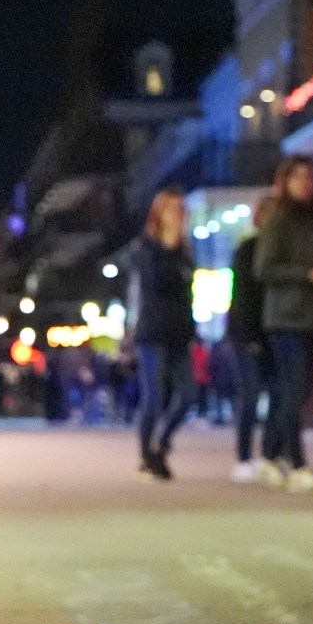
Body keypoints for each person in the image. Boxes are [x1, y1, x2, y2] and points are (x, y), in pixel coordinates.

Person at [252, 157, 313, 494]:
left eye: (310, 177)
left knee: (291, 391)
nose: (306, 183)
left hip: (311, 316)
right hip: (285, 317)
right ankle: (297, 463)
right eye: (298, 177)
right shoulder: (280, 219)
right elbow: (264, 268)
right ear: (285, 181)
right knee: (294, 391)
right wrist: (310, 275)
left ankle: (270, 456)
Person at [124, 189, 198, 481]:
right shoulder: (147, 247)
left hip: (180, 333)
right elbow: (155, 283)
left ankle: (162, 443)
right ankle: (146, 456)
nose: (178, 215)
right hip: (153, 333)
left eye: (181, 210)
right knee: (153, 398)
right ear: (158, 215)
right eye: (171, 210)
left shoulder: (187, 249)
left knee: (189, 394)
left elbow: (187, 291)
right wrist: (169, 247)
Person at [225, 230, 270, 480]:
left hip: (273, 332)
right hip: (247, 336)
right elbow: (243, 298)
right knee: (250, 396)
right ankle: (243, 457)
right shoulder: (248, 249)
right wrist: (249, 336)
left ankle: (272, 455)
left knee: (278, 396)